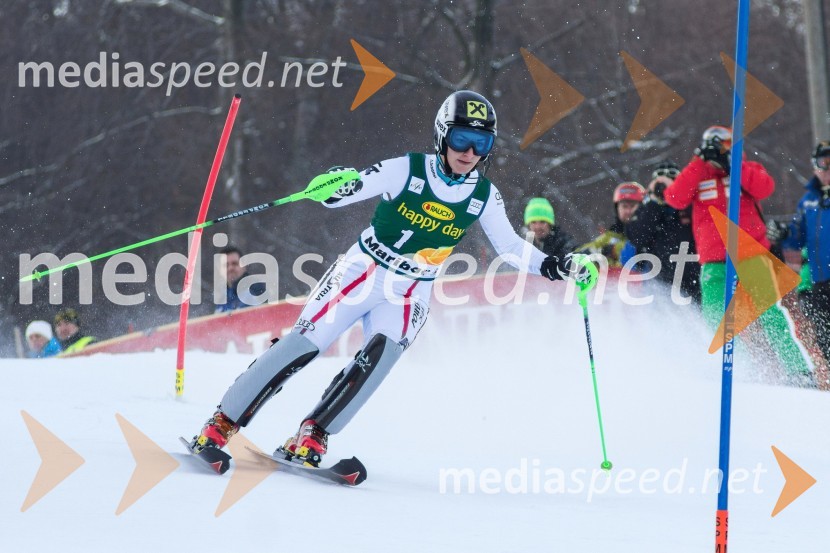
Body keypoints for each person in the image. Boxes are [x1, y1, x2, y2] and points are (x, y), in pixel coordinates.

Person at [187, 90, 590, 473]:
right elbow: (346, 193)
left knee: (379, 359)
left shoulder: (485, 195)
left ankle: (313, 434)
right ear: (442, 136)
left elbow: (511, 247)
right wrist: (334, 186)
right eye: (461, 139)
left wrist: (558, 267)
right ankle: (221, 423)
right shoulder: (406, 169)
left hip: (412, 290)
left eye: (481, 144)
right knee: (303, 345)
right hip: (363, 272)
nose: (469, 153)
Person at [665, 125, 814, 385]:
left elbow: (764, 187)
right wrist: (699, 162)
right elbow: (675, 198)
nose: (719, 150)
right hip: (713, 257)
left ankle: (797, 370)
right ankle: (740, 370)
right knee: (716, 317)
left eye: (725, 145)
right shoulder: (698, 173)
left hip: (750, 252)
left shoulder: (746, 168)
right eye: (714, 145)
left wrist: (733, 165)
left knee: (768, 313)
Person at [781, 140, 830, 369]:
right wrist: (783, 234)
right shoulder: (809, 200)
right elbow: (796, 237)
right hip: (819, 280)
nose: (828, 170)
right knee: (824, 339)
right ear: (815, 167)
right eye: (824, 163)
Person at [624, 161, 700, 302]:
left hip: (694, 279)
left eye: (672, 180)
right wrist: (655, 203)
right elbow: (637, 237)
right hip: (660, 282)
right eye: (660, 182)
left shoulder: (693, 205)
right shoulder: (647, 209)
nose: (664, 187)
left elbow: (703, 227)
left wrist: (679, 196)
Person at [579, 182, 645, 267]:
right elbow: (584, 252)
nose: (628, 211)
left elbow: (639, 251)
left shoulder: (648, 233)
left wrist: (614, 250)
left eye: (632, 206)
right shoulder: (611, 236)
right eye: (624, 206)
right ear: (617, 209)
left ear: (642, 207)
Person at [215, 246, 268, 313]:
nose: (230, 268)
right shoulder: (221, 297)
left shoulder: (256, 289)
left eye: (235, 263)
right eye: (226, 265)